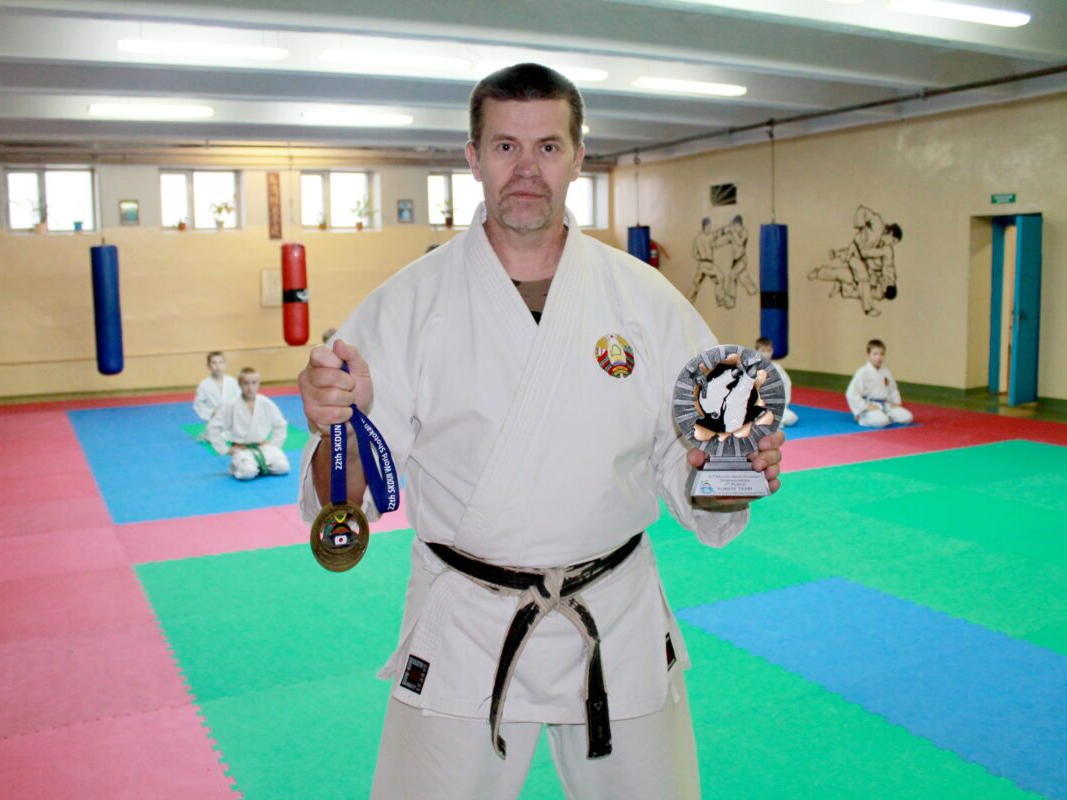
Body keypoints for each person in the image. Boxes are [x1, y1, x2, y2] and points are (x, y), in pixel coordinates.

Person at [297, 63, 784, 800]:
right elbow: (347, 502)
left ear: (579, 157)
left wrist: (730, 478)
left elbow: (686, 466)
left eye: (548, 147)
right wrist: (335, 425)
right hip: (465, 622)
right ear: (473, 157)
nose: (527, 169)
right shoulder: (407, 305)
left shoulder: (644, 300)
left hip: (615, 613)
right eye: (505, 147)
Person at [208, 367, 289, 480]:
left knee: (283, 467)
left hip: (263, 447)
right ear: (239, 384)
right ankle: (238, 466)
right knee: (247, 473)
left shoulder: (266, 403)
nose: (250, 387)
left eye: (254, 383)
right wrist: (225, 449)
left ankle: (256, 466)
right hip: (242, 449)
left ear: (258, 384)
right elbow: (213, 427)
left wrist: (274, 444)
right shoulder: (231, 405)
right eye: (246, 383)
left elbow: (280, 424)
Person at [845, 339, 913, 428]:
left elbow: (893, 389)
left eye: (882, 354)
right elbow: (851, 393)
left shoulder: (886, 372)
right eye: (875, 354)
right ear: (868, 355)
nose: (879, 357)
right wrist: (865, 406)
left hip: (885, 405)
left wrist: (895, 403)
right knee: (882, 421)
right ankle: (861, 418)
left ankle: (885, 416)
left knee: (908, 417)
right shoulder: (863, 372)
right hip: (870, 405)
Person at [755, 337, 797, 427]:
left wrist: (783, 404)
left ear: (772, 351)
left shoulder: (777, 368)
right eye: (763, 351)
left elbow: (786, 384)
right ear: (757, 351)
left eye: (769, 350)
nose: (766, 354)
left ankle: (771, 421)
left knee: (792, 418)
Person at [192, 351, 241, 422]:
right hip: (213, 419)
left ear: (225, 365)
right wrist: (211, 413)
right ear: (208, 366)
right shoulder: (204, 384)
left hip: (232, 418)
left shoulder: (232, 382)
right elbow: (198, 405)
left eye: (221, 362)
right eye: (214, 363)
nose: (218, 366)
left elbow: (240, 399)